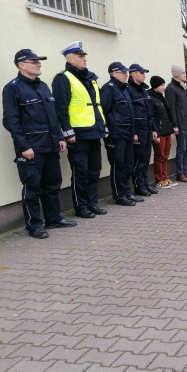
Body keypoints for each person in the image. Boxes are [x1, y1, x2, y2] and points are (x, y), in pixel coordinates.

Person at [2, 49, 77, 239]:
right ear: (22, 65)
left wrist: (59, 137)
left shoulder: (43, 86)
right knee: (32, 188)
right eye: (34, 61)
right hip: (31, 148)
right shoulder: (13, 88)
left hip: (50, 145)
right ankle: (34, 225)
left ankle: (53, 219)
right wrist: (24, 146)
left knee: (52, 184)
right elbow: (10, 121)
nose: (38, 64)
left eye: (39, 61)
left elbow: (53, 116)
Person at [52, 41, 108, 219]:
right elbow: (60, 108)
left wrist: (103, 126)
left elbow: (97, 106)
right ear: (69, 59)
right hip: (78, 134)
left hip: (94, 131)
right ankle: (81, 206)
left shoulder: (90, 78)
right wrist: (67, 132)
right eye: (80, 56)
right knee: (81, 172)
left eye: (84, 56)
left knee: (94, 170)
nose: (84, 59)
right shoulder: (63, 78)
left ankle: (92, 203)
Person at [100, 62, 139, 206]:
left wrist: (133, 132)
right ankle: (119, 195)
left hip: (127, 133)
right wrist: (106, 130)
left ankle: (127, 192)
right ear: (114, 73)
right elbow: (103, 110)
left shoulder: (124, 89)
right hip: (116, 134)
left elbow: (130, 113)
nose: (126, 75)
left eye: (126, 72)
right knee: (118, 165)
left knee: (128, 165)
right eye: (123, 73)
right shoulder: (109, 88)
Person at [128, 63, 159, 196]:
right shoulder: (129, 90)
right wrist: (134, 132)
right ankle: (138, 186)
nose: (144, 76)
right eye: (142, 73)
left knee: (146, 158)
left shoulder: (143, 90)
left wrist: (154, 129)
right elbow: (130, 113)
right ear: (134, 74)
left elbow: (150, 112)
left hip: (147, 129)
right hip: (139, 130)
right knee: (139, 160)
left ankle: (145, 184)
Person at [165, 65, 187, 182]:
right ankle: (180, 173)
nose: (185, 75)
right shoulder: (171, 88)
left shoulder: (182, 87)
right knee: (182, 149)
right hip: (180, 124)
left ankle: (186, 171)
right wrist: (175, 125)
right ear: (177, 74)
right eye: (183, 73)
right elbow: (171, 108)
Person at [148, 76, 177, 189]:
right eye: (161, 85)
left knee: (165, 156)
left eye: (164, 85)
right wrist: (156, 132)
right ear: (155, 86)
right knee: (159, 156)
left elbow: (168, 116)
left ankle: (165, 177)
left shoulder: (162, 98)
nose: (164, 87)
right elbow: (152, 117)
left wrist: (171, 130)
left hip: (167, 131)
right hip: (159, 133)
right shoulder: (151, 98)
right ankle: (159, 180)